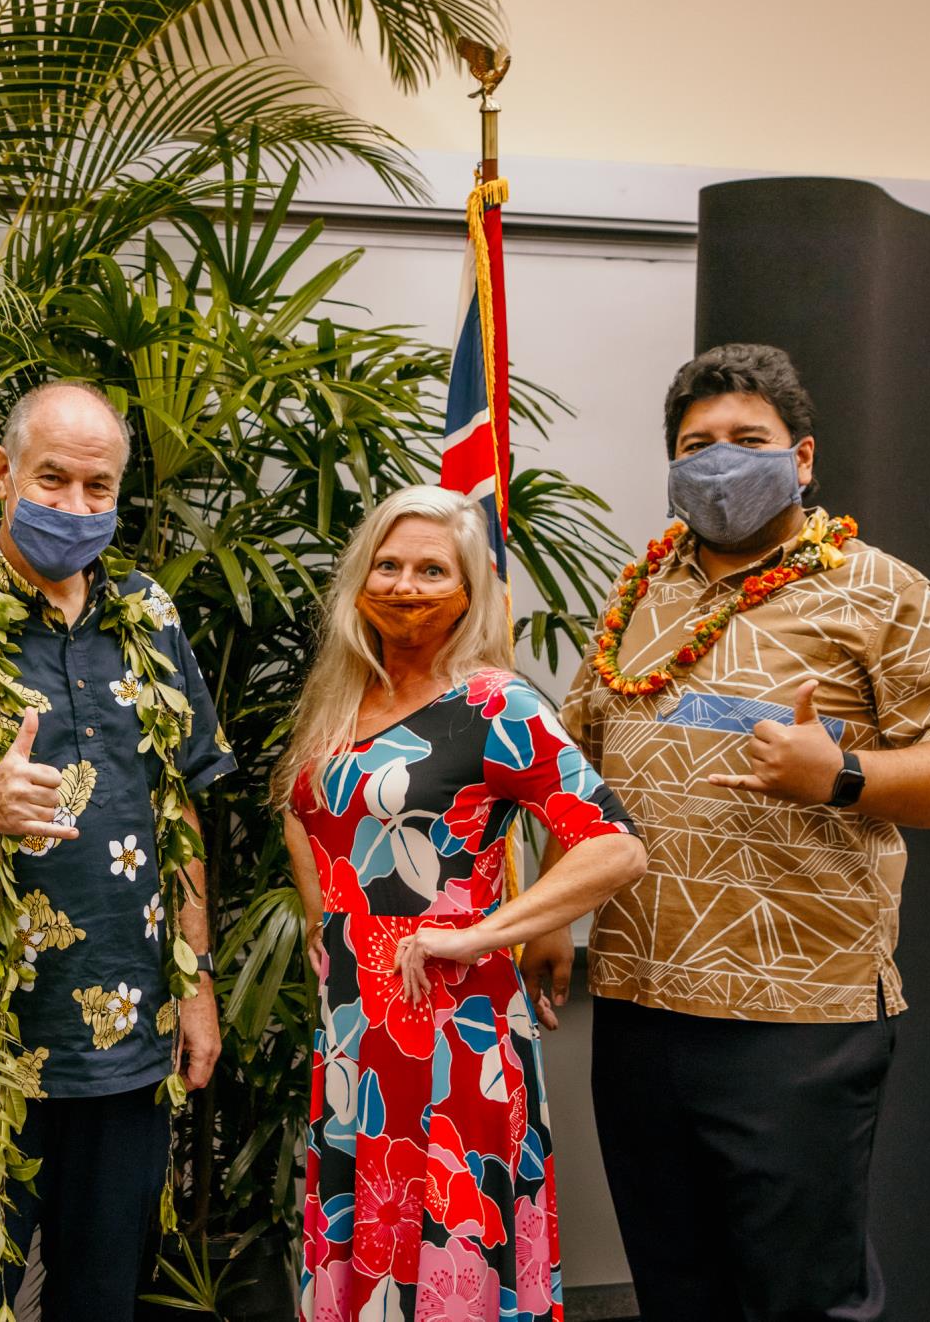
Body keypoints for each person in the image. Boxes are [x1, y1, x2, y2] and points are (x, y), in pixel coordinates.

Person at [547, 342, 930, 1321]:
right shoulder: (636, 596)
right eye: (695, 443)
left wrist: (840, 774)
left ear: (800, 458)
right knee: (675, 1288)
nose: (717, 459)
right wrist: (553, 912)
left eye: (745, 439)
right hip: (638, 1002)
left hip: (795, 1018)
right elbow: (574, 772)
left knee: (798, 1299)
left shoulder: (879, 590)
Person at [0, 380, 236, 1320]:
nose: (74, 507)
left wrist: (197, 988)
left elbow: (180, 810)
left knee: (102, 1301)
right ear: (2, 473)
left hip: (126, 1044)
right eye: (52, 480)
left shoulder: (152, 616)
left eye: (97, 489)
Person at [275, 484, 646, 1322]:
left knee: (448, 1251)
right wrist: (324, 926)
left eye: (432, 569)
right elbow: (302, 813)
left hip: (452, 1026)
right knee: (365, 1227)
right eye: (389, 565)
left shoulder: (494, 704)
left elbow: (614, 845)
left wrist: (488, 931)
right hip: (353, 1026)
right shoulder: (341, 697)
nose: (405, 585)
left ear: (472, 588)